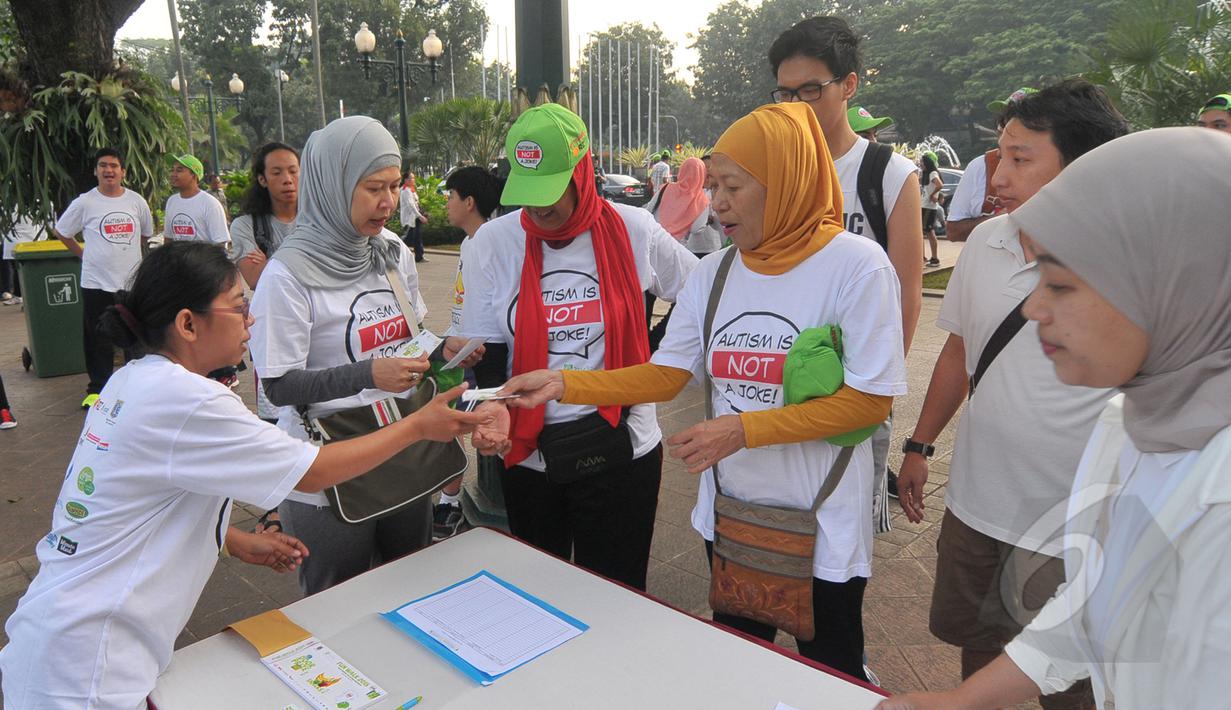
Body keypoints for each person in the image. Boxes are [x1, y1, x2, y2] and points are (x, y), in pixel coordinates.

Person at [499, 102, 907, 680]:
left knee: (830, 669)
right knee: (736, 667)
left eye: (734, 186)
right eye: (712, 185)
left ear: (786, 181)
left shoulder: (856, 268)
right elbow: (667, 374)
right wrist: (566, 382)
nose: (716, 203)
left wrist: (743, 429)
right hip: (734, 517)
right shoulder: (716, 272)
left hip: (822, 520)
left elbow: (871, 401)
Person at [0, 241, 491, 710]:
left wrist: (229, 539)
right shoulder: (188, 399)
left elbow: (135, 505)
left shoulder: (133, 381)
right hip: (90, 666)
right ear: (188, 324)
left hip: (65, 636)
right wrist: (416, 427)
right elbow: (315, 472)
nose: (251, 320)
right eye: (238, 307)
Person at [879, 126, 1231, 710]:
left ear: (1174, 284)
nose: (1035, 307)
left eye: (1062, 285)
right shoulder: (1133, 424)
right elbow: (1096, 600)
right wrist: (961, 701)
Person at [895, 79, 1129, 710]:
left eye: (1022, 159)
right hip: (977, 503)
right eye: (999, 155)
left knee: (1072, 681)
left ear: (1083, 166)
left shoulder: (1131, 263)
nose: (997, 177)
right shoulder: (987, 247)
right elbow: (960, 352)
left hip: (1071, 522)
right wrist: (919, 445)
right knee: (981, 652)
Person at [452, 103, 698, 592]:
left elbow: (701, 293)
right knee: (539, 597)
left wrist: (659, 355)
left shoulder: (634, 230)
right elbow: (490, 343)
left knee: (616, 596)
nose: (538, 209)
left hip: (622, 447)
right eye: (528, 193)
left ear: (581, 172)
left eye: (550, 191)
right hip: (529, 454)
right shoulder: (493, 243)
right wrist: (495, 410)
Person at [249, 117, 483, 595]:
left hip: (404, 445)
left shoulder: (391, 251)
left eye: (395, 186)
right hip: (331, 463)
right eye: (373, 187)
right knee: (339, 601)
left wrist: (443, 348)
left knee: (411, 586)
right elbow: (278, 386)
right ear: (332, 185)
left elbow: (409, 337)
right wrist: (367, 373)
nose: (388, 202)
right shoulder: (287, 277)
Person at [770, 16, 921, 517]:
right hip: (779, 379)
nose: (796, 107)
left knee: (845, 520)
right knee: (777, 514)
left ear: (848, 85)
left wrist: (873, 390)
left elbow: (906, 291)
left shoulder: (887, 173)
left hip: (852, 386)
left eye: (810, 90)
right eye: (785, 94)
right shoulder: (773, 171)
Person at [231, 142, 302, 535]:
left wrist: (273, 259)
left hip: (315, 324)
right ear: (262, 178)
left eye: (293, 170)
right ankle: (278, 505)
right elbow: (256, 279)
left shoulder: (317, 216)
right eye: (276, 172)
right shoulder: (247, 226)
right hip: (269, 328)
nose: (287, 179)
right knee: (276, 412)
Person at [434, 165, 507, 540]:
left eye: (450, 196)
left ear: (469, 201)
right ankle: (450, 500)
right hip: (464, 347)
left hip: (486, 349)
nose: (446, 203)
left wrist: (473, 344)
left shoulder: (492, 238)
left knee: (480, 426)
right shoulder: (469, 242)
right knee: (457, 422)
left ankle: (456, 504)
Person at [53, 148, 155, 409]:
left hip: (130, 283)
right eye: (103, 166)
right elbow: (63, 232)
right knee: (97, 338)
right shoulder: (84, 202)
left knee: (135, 336)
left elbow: (144, 236)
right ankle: (97, 390)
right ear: (95, 171)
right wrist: (83, 254)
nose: (108, 170)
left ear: (123, 172)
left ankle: (137, 388)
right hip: (95, 283)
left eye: (114, 166)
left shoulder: (136, 202)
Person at [643, 156, 723, 350]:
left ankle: (641, 340)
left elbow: (648, 209)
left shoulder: (665, 188)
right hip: (674, 252)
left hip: (651, 248)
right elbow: (697, 228)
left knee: (646, 300)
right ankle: (656, 339)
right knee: (681, 300)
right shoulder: (701, 199)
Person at [944, 88, 1037, 243]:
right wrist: (1001, 218)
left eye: (1018, 117)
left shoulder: (1058, 165)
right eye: (1005, 117)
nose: (1005, 126)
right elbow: (953, 232)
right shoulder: (982, 166)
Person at [164, 154, 230, 249]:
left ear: (194, 176)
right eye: (172, 170)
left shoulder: (210, 204)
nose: (173, 174)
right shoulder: (172, 201)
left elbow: (220, 244)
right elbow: (168, 239)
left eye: (179, 170)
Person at [3, 209, 46, 306]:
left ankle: (21, 296)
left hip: (22, 240)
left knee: (17, 270)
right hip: (29, 240)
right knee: (22, 270)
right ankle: (22, 296)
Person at [919, 151, 943, 266]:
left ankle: (934, 258)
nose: (920, 164)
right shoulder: (926, 174)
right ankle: (924, 257)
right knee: (925, 232)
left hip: (928, 207)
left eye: (922, 162)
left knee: (928, 231)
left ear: (927, 162)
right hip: (924, 206)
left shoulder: (933, 173)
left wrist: (933, 195)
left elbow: (939, 185)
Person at [400, 171, 427, 262]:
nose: (413, 180)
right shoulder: (405, 190)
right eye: (412, 178)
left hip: (415, 217)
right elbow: (411, 205)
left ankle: (419, 257)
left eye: (413, 178)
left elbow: (415, 203)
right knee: (408, 238)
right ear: (406, 180)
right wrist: (420, 216)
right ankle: (396, 250)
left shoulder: (411, 189)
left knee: (418, 237)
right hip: (410, 218)